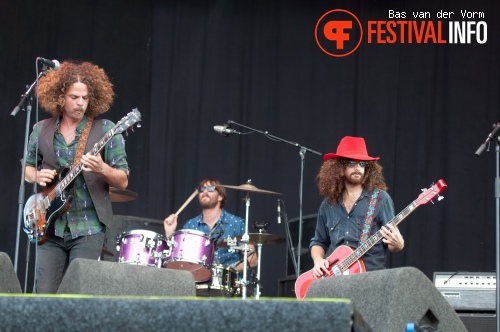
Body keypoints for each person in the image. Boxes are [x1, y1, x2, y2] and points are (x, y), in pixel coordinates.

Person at [24, 61, 129, 293]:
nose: (80, 103)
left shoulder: (106, 129)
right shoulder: (41, 129)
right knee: (44, 295)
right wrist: (36, 175)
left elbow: (122, 180)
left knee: (77, 296)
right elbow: (28, 167)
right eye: (74, 97)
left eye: (85, 97)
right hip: (49, 227)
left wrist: (102, 168)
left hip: (88, 228)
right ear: (60, 96)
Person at [310, 136, 404, 278]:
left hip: (371, 279)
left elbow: (392, 243)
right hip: (338, 279)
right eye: (352, 163)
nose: (358, 168)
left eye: (362, 164)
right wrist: (318, 261)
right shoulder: (328, 205)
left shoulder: (380, 199)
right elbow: (318, 241)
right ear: (339, 168)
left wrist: (398, 244)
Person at [163, 178, 258, 275]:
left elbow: (252, 259)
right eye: (201, 189)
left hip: (228, 284)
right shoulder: (190, 226)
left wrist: (226, 272)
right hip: (198, 284)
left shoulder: (237, 223)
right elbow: (178, 259)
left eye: (210, 189)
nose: (204, 192)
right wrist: (170, 233)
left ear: (220, 197)